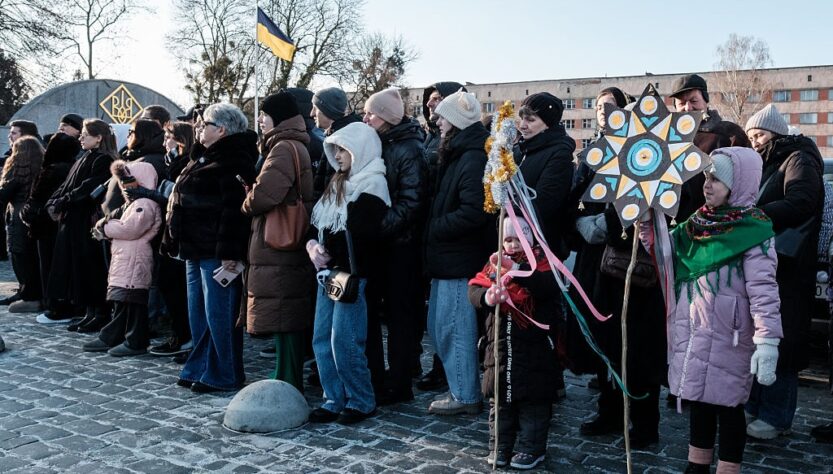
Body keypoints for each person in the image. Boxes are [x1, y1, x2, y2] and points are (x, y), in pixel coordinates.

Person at [639, 147, 782, 473]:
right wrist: (647, 221)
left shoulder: (754, 231)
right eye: (706, 177)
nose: (707, 185)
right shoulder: (697, 224)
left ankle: (728, 468)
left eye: (716, 179)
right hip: (693, 328)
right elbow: (664, 250)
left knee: (729, 406)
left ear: (738, 184)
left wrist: (767, 340)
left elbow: (764, 291)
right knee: (700, 401)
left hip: (731, 336)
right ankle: (697, 465)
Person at [569, 88, 666, 449]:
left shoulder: (651, 153)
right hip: (599, 265)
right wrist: (581, 221)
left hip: (637, 266)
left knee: (637, 347)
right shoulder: (600, 151)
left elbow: (647, 202)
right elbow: (581, 195)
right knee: (607, 341)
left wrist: (608, 224)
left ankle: (644, 422)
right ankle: (609, 411)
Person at [161, 103, 257, 393]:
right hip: (193, 246)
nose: (199, 129)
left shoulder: (234, 158)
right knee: (199, 313)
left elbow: (234, 210)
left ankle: (224, 372)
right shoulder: (203, 156)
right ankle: (201, 365)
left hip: (215, 249)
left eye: (205, 125)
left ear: (222, 129)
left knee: (219, 313)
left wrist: (230, 252)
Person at [744, 104, 824, 439]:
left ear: (776, 133)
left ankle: (776, 416)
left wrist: (755, 216)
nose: (755, 141)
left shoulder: (798, 159)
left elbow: (802, 201)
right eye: (751, 136)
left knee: (783, 338)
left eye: (760, 134)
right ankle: (754, 406)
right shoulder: (768, 161)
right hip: (767, 260)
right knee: (761, 335)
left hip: (789, 265)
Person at [306, 121, 390, 424]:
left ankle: (361, 399)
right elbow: (318, 224)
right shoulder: (338, 181)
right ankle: (333, 397)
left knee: (345, 340)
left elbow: (362, 232)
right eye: (336, 150)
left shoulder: (374, 183)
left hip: (352, 275)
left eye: (343, 149)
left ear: (360, 150)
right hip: (327, 273)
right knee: (321, 338)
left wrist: (329, 249)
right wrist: (313, 246)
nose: (338, 156)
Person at [469, 215, 559, 470]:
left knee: (534, 404)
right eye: (508, 239)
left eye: (519, 238)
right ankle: (499, 446)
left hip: (534, 350)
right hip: (499, 348)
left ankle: (532, 448)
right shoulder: (493, 264)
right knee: (500, 403)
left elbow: (546, 287)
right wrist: (487, 297)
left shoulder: (543, 263)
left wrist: (516, 270)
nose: (513, 244)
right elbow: (474, 288)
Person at [425, 89, 494, 415]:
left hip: (459, 258)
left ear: (456, 120)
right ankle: (460, 386)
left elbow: (473, 212)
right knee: (440, 329)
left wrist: (434, 227)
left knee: (455, 329)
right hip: (448, 257)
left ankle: (465, 394)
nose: (437, 121)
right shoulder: (459, 152)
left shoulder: (472, 156)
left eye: (442, 116)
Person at [241, 91, 315, 393]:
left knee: (284, 312)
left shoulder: (283, 147)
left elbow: (264, 195)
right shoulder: (292, 144)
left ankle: (287, 378)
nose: (260, 120)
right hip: (285, 241)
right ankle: (285, 374)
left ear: (279, 118)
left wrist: (247, 198)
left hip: (279, 241)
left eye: (265, 115)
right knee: (286, 311)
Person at [362, 88, 428, 404]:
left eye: (371, 114)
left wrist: (378, 227)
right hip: (383, 245)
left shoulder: (408, 149)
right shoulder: (381, 142)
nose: (365, 118)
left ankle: (400, 382)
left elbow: (412, 201)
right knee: (379, 313)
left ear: (387, 118)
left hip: (401, 246)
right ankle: (382, 377)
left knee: (400, 316)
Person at [126, 121, 195, 359]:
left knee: (176, 287)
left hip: (182, 233)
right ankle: (180, 334)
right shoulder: (172, 161)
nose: (164, 142)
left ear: (180, 140)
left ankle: (184, 337)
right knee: (168, 284)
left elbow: (177, 197)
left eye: (168, 137)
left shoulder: (186, 163)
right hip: (170, 231)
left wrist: (149, 194)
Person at [417, 81, 466, 393]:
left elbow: (469, 207)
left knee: (452, 320)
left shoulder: (462, 147)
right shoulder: (431, 136)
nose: (431, 105)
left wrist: (435, 226)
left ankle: (454, 379)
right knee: (435, 316)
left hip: (448, 241)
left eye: (437, 100)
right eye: (429, 100)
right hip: (432, 238)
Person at [43, 119, 116, 328]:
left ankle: (100, 313)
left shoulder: (103, 159)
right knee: (78, 268)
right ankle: (89, 312)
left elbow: (88, 187)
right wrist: (54, 201)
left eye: (85, 134)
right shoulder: (85, 157)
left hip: (87, 220)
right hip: (73, 218)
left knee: (91, 268)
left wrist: (63, 201)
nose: (81, 138)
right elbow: (67, 184)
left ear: (99, 138)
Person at [83, 161, 162, 356]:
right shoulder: (134, 203)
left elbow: (130, 228)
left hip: (135, 257)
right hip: (126, 257)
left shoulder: (145, 204)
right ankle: (116, 335)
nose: (125, 185)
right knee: (122, 299)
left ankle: (135, 340)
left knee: (133, 301)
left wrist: (106, 228)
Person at [669, 74, 751, 221]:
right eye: (681, 103)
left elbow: (746, 180)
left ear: (706, 101)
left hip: (718, 222)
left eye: (694, 101)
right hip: (675, 224)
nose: (688, 108)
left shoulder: (729, 134)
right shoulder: (666, 140)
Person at [21, 133, 80, 322]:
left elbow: (37, 199)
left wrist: (28, 215)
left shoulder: (52, 170)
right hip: (60, 224)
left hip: (46, 225)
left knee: (49, 267)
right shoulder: (72, 167)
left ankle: (54, 307)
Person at [0, 136, 45, 313]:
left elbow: (3, 194)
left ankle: (29, 296)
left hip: (18, 217)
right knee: (33, 258)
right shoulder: (42, 168)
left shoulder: (17, 170)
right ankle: (29, 293)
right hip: (33, 216)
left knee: (20, 257)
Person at [101, 119, 166, 216]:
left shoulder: (149, 162)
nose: (127, 136)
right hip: (114, 219)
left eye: (131, 132)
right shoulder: (135, 157)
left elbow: (137, 202)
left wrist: (111, 218)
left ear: (143, 135)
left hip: (125, 221)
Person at [311, 87, 361, 200]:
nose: (311, 113)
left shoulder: (346, 140)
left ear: (328, 111)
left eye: (315, 108)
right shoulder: (333, 136)